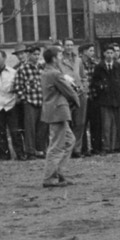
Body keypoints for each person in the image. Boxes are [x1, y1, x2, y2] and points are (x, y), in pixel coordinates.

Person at [39, 44, 79, 188]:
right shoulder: (55, 73)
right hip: (58, 111)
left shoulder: (49, 72)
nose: (62, 57)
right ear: (54, 58)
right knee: (57, 145)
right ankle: (49, 177)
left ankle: (59, 173)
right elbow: (69, 91)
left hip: (55, 110)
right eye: (60, 55)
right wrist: (77, 100)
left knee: (69, 141)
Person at [0, 50, 24, 159]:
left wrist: (15, 100)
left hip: (11, 103)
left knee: (15, 131)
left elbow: (17, 87)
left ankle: (20, 154)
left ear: (4, 58)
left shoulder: (13, 72)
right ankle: (4, 155)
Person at [91, 44, 120, 154]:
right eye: (107, 53)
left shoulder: (118, 66)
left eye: (111, 53)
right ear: (104, 54)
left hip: (117, 98)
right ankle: (106, 147)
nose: (109, 55)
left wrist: (119, 87)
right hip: (105, 99)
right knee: (106, 125)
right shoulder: (99, 67)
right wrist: (101, 86)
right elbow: (94, 81)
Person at [14, 44, 46, 159]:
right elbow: (18, 86)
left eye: (38, 54)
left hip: (41, 101)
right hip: (30, 102)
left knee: (42, 127)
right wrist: (25, 99)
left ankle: (40, 150)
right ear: (29, 54)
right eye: (34, 54)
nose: (36, 57)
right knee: (30, 128)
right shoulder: (23, 69)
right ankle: (30, 151)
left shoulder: (42, 68)